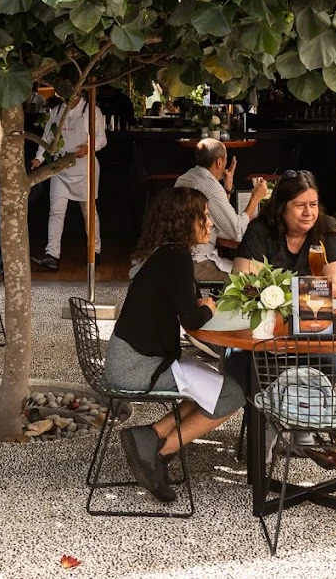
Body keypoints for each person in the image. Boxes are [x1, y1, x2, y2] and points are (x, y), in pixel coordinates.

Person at [107, 188, 246, 502]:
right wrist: (210, 308)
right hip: (136, 366)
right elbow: (193, 320)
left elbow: (185, 309)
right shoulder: (176, 258)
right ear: (184, 220)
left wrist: (201, 306)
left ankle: (152, 436)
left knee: (215, 388)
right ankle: (158, 452)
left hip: (130, 357)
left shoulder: (165, 254)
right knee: (233, 393)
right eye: (204, 216)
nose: (210, 224)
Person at [232, 171, 336, 292]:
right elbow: (245, 283)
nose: (308, 213)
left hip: (313, 304)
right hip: (269, 304)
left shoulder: (327, 227)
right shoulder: (259, 229)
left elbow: (335, 287)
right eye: (300, 205)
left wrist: (286, 288)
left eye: (313, 205)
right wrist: (309, 286)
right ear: (282, 208)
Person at [175, 138, 270, 281]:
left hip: (182, 257)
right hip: (198, 261)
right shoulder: (211, 188)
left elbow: (218, 215)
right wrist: (255, 198)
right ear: (219, 162)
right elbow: (237, 231)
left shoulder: (184, 178)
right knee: (251, 279)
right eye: (226, 159)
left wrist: (227, 187)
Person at [30, 94, 106, 271]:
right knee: (56, 211)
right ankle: (52, 254)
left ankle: (94, 250)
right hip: (61, 166)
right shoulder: (56, 111)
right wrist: (39, 158)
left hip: (85, 167)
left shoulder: (91, 110)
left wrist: (89, 147)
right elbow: (47, 137)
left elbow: (102, 138)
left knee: (88, 212)